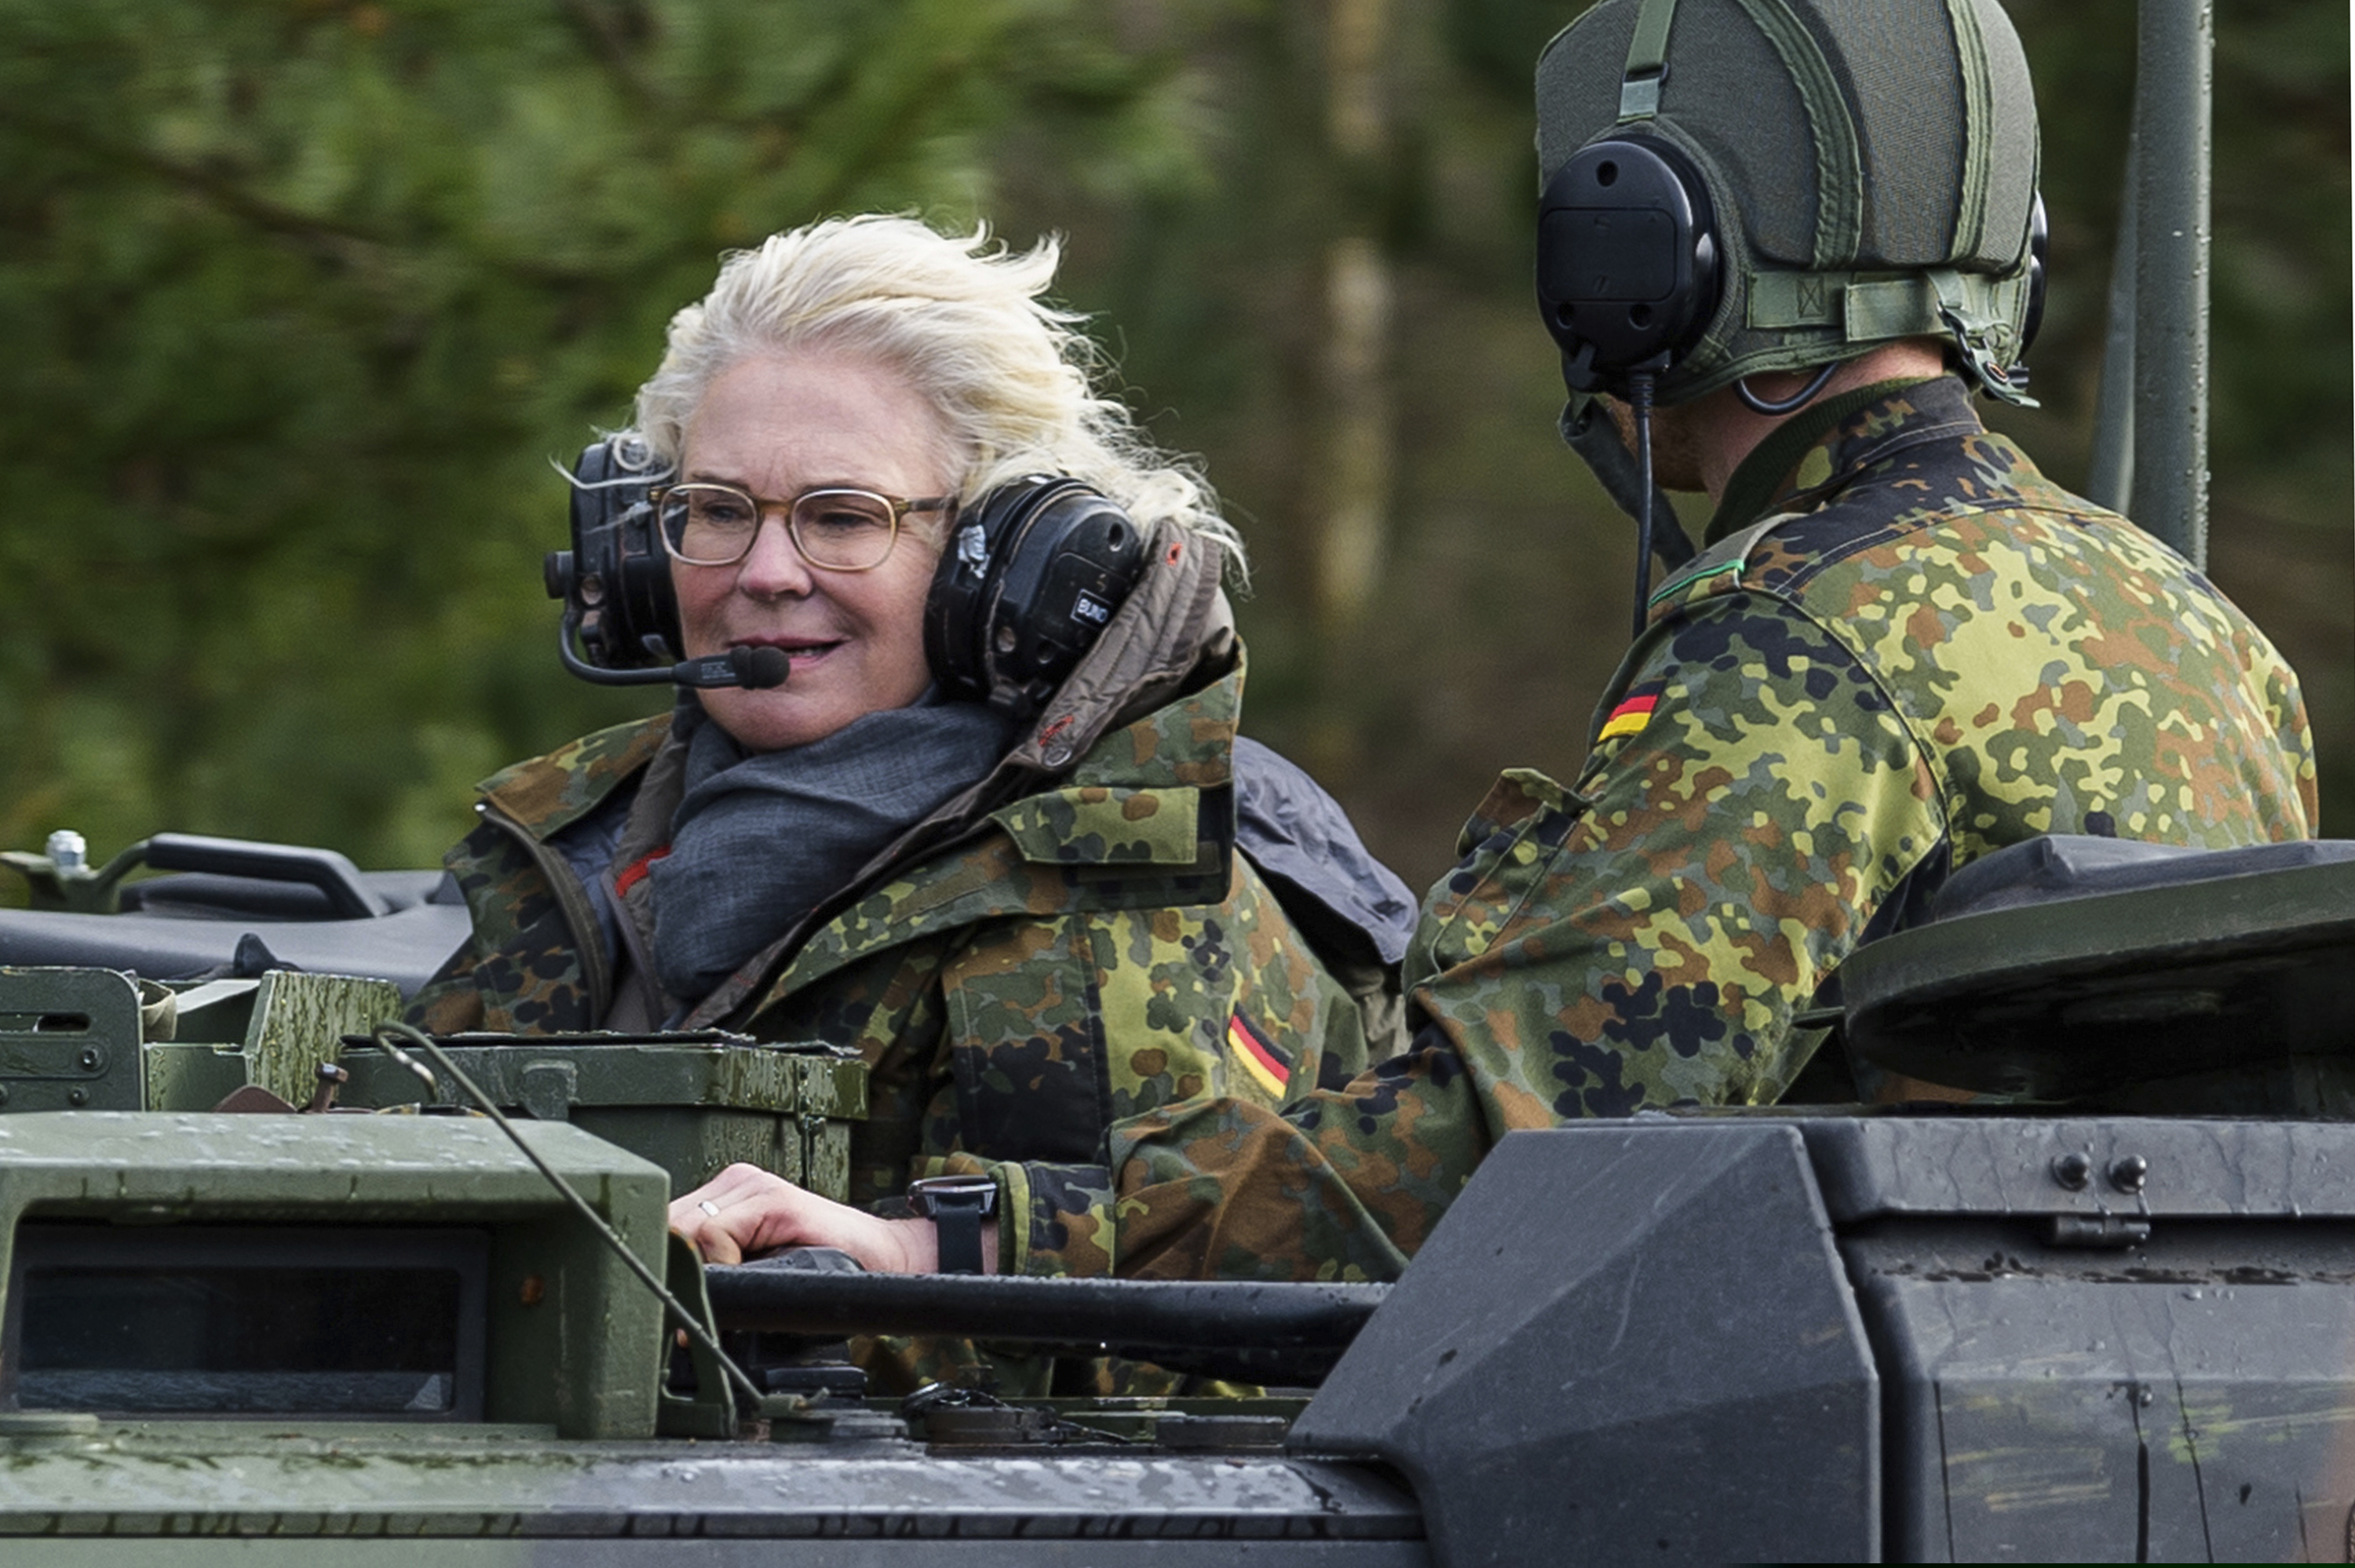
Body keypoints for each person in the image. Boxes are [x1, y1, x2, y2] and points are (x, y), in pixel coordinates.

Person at [671, 0, 2317, 1285]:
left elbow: (1499, 1149)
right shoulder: (2197, 628)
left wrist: (949, 1247)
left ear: (1639, 261)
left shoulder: (1804, 647)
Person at [407, 216, 1415, 1367]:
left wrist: (825, 1300)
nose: (766, 574)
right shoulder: (573, 839)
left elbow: (1186, 1354)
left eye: (844, 518)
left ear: (1007, 557)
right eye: (719, 510)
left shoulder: (1143, 883)